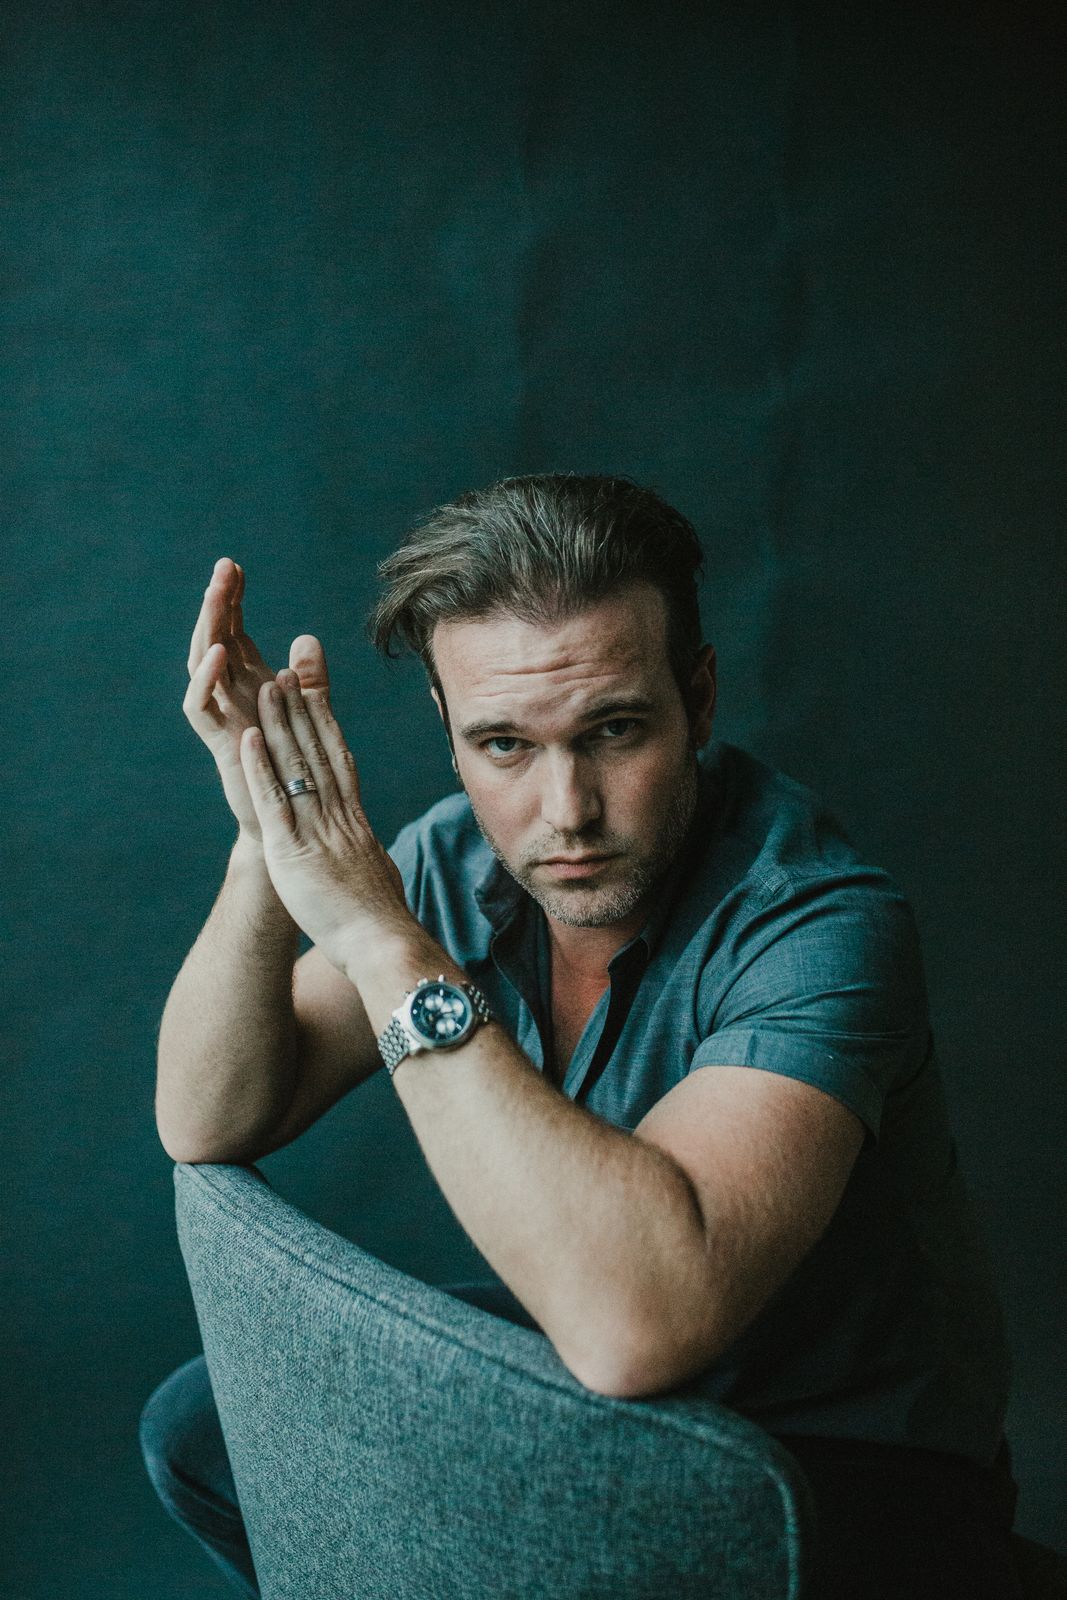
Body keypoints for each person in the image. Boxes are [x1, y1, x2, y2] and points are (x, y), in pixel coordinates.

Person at [140, 473, 1022, 1598]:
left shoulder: (817, 921)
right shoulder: (455, 857)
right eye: (503, 744)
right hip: (601, 1382)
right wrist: (269, 835)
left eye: (612, 730)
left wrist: (380, 942)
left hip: (835, 1458)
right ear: (449, 733)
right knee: (204, 1426)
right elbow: (209, 1115)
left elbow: (632, 1331)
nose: (565, 812)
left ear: (697, 700)